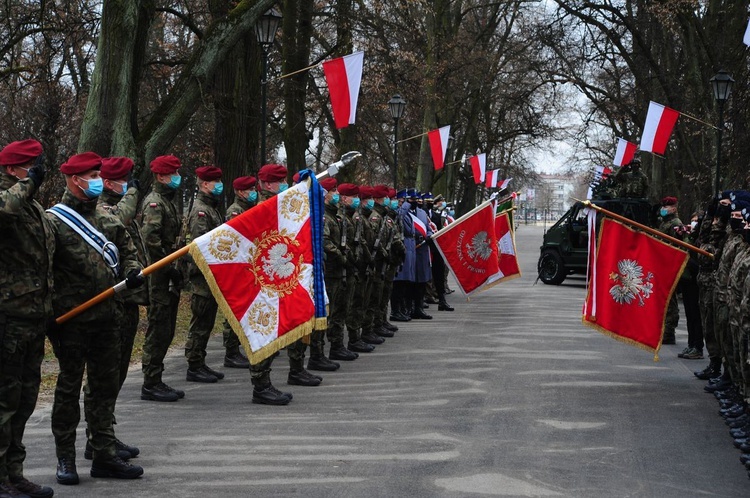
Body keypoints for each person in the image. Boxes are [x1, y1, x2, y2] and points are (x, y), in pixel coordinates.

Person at [47, 152, 144, 485]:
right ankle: (65, 457)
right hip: (71, 322)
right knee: (69, 388)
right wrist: (49, 313)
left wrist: (132, 271)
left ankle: (103, 454)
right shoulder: (55, 222)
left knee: (104, 389)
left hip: (107, 318)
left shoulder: (105, 218)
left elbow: (127, 248)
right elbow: (42, 271)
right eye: (92, 175)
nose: (98, 181)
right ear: (76, 180)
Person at [0, 139, 55, 498]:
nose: (34, 172)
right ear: (11, 170)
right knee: (4, 401)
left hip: (34, 317)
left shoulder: (33, 207)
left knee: (25, 400)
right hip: (8, 318)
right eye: (28, 167)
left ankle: (14, 472)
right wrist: (28, 183)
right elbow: (5, 210)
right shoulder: (9, 199)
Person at [86, 157, 146, 462]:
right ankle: (97, 438)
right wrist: (132, 193)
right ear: (109, 183)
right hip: (114, 301)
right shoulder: (102, 207)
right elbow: (119, 222)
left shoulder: (116, 204)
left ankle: (103, 435)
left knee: (117, 374)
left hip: (128, 299)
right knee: (105, 376)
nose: (130, 184)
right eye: (125, 179)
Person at [248, 164, 296, 404]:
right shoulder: (263, 209)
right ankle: (260, 385)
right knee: (264, 332)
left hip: (275, 279)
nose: (284, 185)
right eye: (280, 181)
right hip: (264, 282)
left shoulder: (277, 206)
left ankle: (264, 383)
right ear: (267, 185)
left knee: (272, 333)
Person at [139, 155, 185, 402]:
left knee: (166, 330)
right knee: (159, 328)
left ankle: (156, 378)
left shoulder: (167, 202)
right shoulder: (155, 203)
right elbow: (151, 240)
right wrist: (167, 267)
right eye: (173, 173)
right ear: (160, 176)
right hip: (159, 276)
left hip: (167, 274)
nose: (177, 177)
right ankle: (150, 382)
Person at [183, 166, 227, 383]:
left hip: (211, 275)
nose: (219, 184)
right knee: (200, 322)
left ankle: (200, 362)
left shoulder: (211, 208)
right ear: (204, 184)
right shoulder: (201, 210)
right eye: (215, 181)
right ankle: (193, 365)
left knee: (207, 322)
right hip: (202, 276)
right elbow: (200, 246)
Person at [315, 177, 356, 366]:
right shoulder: (324, 217)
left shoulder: (337, 216)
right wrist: (341, 255)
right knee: (329, 313)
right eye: (333, 191)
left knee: (340, 309)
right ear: (325, 195)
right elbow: (325, 241)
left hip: (340, 270)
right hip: (331, 270)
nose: (336, 195)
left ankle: (337, 346)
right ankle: (322, 351)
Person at [219, 176, 256, 369]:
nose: (253, 192)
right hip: (238, 267)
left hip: (248, 267)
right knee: (234, 311)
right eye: (250, 189)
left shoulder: (248, 209)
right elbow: (236, 239)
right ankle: (231, 352)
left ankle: (236, 350)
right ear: (241, 192)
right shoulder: (235, 211)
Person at [338, 183, 375, 353]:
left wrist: (367, 258)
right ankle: (351, 338)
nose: (357, 201)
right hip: (348, 266)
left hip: (358, 264)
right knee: (348, 306)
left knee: (360, 301)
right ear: (344, 198)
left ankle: (356, 336)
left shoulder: (354, 217)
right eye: (355, 197)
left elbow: (362, 241)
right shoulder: (347, 218)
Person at [657, 196, 682, 344]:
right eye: (663, 207)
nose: (663, 210)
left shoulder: (675, 224)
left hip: (669, 266)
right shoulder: (665, 223)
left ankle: (669, 332)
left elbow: (676, 247)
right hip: (662, 265)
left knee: (670, 301)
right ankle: (664, 329)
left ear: (673, 208)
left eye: (666, 207)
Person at [392, 189, 417, 321]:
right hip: (402, 247)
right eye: (404, 200)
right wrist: (406, 205)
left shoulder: (407, 212)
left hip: (409, 246)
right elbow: (399, 216)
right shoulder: (399, 211)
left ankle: (402, 309)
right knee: (399, 282)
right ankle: (396, 311)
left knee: (405, 282)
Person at [429, 194, 453, 311]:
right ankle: (432, 295)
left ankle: (442, 300)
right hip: (430, 248)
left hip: (438, 247)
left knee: (440, 274)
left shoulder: (438, 215)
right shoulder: (428, 214)